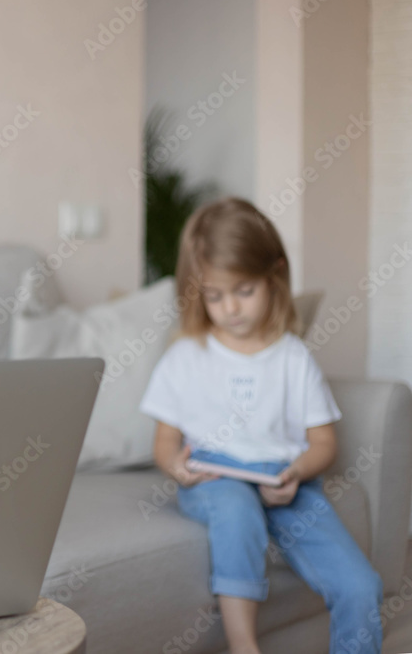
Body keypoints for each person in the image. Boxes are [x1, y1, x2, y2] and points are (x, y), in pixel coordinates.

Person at [139, 198, 382, 654]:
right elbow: (165, 442)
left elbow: (323, 443)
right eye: (214, 295)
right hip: (214, 478)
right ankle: (243, 646)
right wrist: (177, 467)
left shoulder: (292, 357)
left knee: (360, 585)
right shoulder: (184, 357)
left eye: (244, 290)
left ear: (274, 278)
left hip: (285, 480)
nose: (230, 307)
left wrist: (297, 472)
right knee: (235, 509)